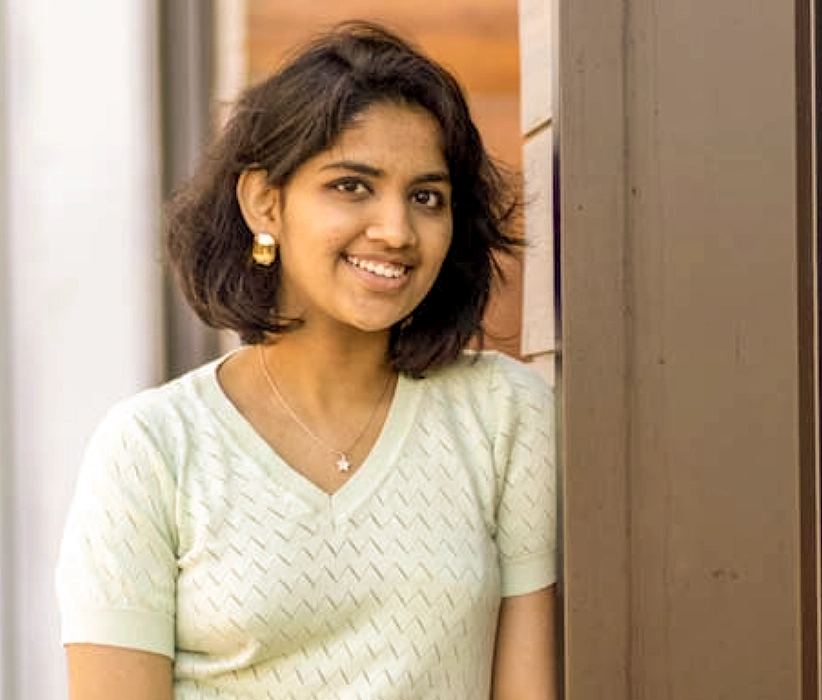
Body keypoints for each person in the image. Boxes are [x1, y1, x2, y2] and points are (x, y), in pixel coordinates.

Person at [56, 21, 558, 700]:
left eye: (426, 197)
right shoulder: (153, 450)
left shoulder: (503, 417)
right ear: (265, 202)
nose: (395, 230)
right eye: (352, 186)